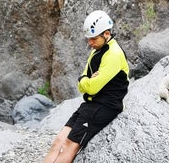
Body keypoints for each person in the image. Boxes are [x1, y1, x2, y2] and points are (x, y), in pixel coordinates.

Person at [43, 10, 129, 163]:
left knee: (70, 144)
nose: (90, 43)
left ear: (107, 34)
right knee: (58, 141)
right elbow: (84, 79)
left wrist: (86, 81)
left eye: (93, 38)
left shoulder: (114, 54)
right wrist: (85, 79)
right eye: (89, 39)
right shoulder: (96, 50)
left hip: (105, 106)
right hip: (90, 104)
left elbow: (91, 88)